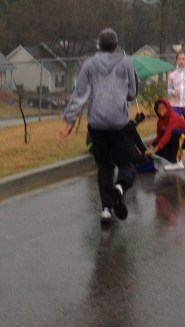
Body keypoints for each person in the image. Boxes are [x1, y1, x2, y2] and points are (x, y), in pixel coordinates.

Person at [58, 28, 138, 223]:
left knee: (104, 166)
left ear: (99, 45)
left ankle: (106, 210)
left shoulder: (89, 65)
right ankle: (120, 187)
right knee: (127, 164)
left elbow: (80, 95)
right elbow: (132, 92)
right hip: (119, 123)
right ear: (116, 44)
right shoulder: (126, 63)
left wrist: (69, 122)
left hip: (97, 124)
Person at [145, 98, 185, 171]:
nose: (161, 110)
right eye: (158, 108)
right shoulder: (160, 121)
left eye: (163, 108)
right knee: (157, 143)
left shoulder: (173, 117)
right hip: (178, 139)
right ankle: (174, 158)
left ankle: (177, 163)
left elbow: (168, 134)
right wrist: (153, 142)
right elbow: (160, 136)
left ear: (168, 107)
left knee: (175, 133)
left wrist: (155, 150)